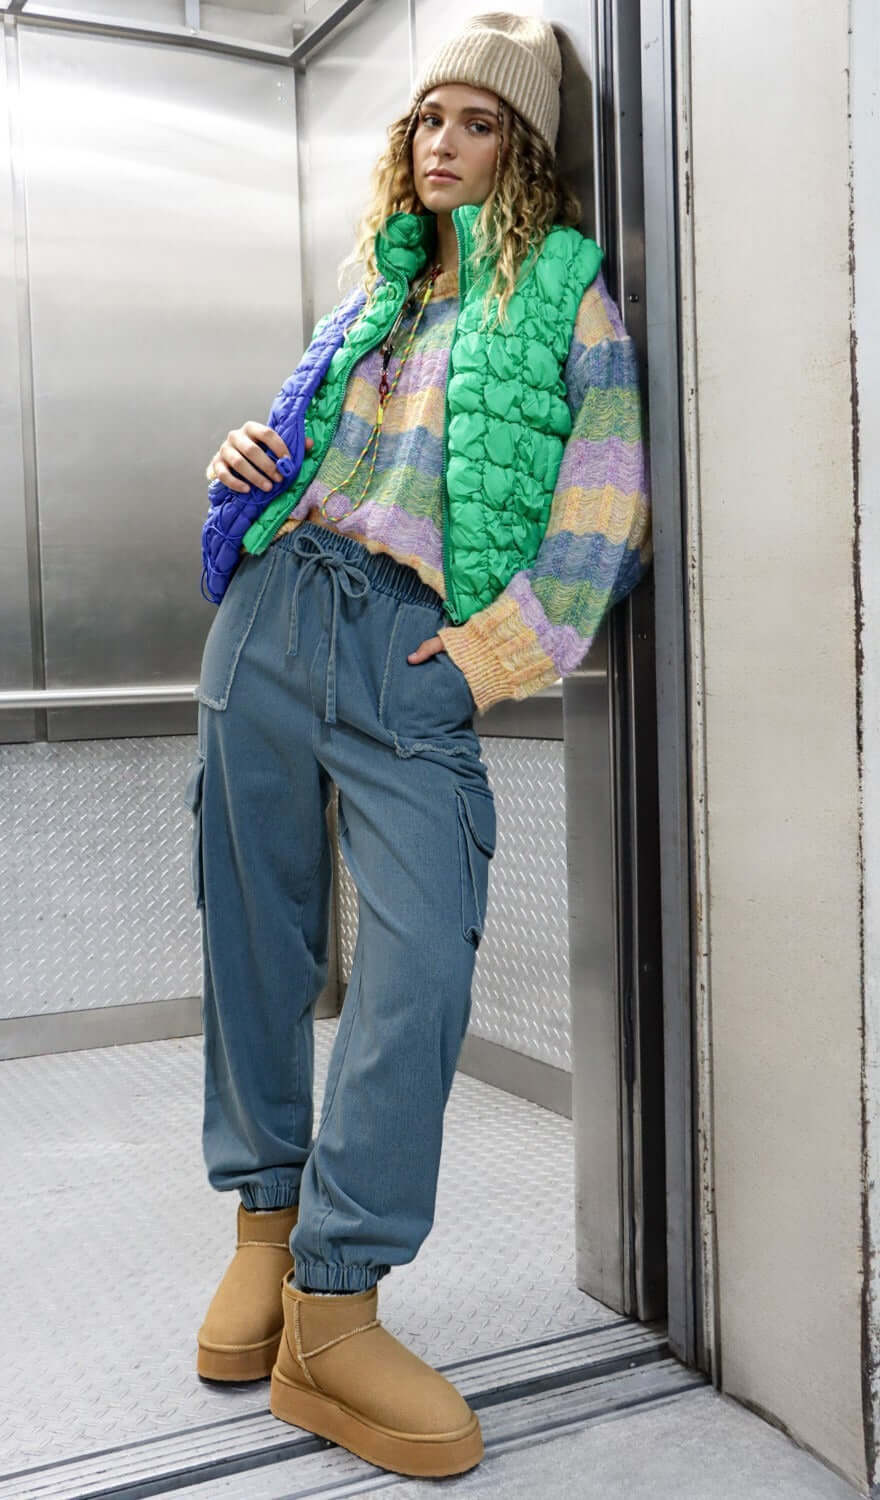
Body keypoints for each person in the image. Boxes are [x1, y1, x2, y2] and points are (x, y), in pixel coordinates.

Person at [186, 11, 652, 1480]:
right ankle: (263, 1223)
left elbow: (606, 503)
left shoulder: (569, 296)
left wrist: (496, 658)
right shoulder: (365, 301)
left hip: (408, 653)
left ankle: (338, 1297)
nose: (443, 144)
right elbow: (308, 455)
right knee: (251, 935)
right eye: (429, 120)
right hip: (268, 615)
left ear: (524, 150)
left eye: (481, 123)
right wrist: (241, 463)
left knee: (421, 964)